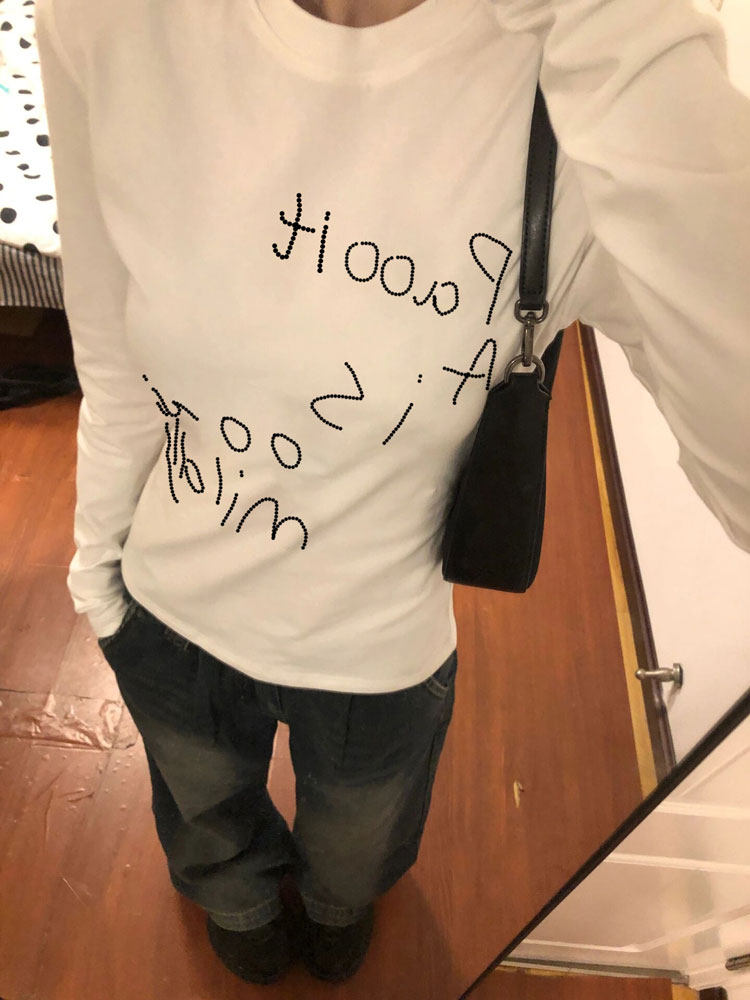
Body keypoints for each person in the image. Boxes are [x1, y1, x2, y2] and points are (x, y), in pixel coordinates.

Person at [35, 0, 750, 987]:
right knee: (206, 822)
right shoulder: (106, 20)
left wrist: (617, 27)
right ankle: (238, 898)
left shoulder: (596, 90)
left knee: (358, 853)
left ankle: (334, 904)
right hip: (166, 611)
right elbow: (111, 356)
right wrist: (97, 572)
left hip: (376, 655)